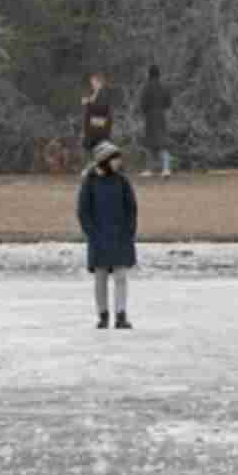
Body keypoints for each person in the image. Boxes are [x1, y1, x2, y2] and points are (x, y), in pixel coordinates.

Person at [77, 141, 138, 329]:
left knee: (121, 276)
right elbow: (83, 210)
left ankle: (121, 314)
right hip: (98, 238)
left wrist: (128, 231)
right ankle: (103, 315)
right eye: (115, 158)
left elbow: (131, 208)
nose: (118, 162)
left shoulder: (122, 181)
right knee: (100, 277)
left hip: (120, 237)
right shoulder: (90, 181)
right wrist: (92, 234)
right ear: (105, 160)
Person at [139, 66, 173, 178]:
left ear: (149, 74)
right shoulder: (165, 87)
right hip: (162, 116)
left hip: (150, 117)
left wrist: (145, 112)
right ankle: (166, 169)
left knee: (149, 144)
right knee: (163, 144)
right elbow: (169, 103)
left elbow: (143, 104)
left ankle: (149, 169)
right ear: (159, 74)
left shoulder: (146, 87)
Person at [81, 72, 114, 162]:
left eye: (93, 82)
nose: (92, 84)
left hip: (99, 122)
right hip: (95, 123)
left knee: (98, 145)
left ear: (99, 82)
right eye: (92, 82)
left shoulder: (103, 92)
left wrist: (88, 103)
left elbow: (101, 108)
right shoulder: (96, 92)